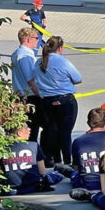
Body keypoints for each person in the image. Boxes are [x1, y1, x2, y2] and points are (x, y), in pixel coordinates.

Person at [31, 36, 81, 165]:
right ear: (60, 48)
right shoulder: (62, 62)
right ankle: (67, 161)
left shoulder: (39, 62)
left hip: (47, 100)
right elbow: (77, 78)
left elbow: (34, 79)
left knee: (52, 130)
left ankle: (54, 159)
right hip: (65, 100)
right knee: (65, 132)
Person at [0, 125, 61, 195]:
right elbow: (42, 171)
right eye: (26, 128)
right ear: (19, 133)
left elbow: (0, 172)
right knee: (56, 175)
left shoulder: (1, 149)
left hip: (11, 187)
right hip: (33, 185)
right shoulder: (34, 145)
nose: (29, 129)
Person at [67, 107, 105, 191]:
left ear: (88, 122)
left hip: (87, 183)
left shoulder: (78, 141)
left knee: (74, 173)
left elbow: (77, 167)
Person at [11, 27, 42, 142]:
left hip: (22, 95)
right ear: (28, 39)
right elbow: (30, 80)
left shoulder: (17, 53)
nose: (38, 41)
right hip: (29, 97)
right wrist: (40, 94)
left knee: (29, 128)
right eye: (36, 38)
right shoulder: (25, 55)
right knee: (32, 129)